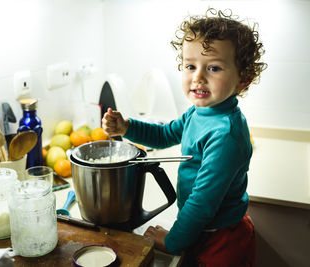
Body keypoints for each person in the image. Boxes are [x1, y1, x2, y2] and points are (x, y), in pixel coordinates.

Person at [102, 8, 267, 266]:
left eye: (213, 68)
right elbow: (165, 134)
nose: (197, 77)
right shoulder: (199, 112)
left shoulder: (225, 135)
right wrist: (127, 127)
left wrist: (172, 240)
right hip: (202, 230)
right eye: (190, 66)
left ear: (243, 80)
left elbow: (202, 204)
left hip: (222, 240)